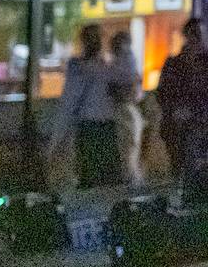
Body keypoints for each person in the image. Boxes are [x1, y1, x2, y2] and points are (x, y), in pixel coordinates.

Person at [49, 24, 125, 189]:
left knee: (90, 179)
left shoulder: (78, 68)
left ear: (83, 42)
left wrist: (56, 140)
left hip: (88, 129)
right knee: (108, 182)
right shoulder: (108, 68)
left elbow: (68, 104)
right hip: (107, 128)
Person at [155, 18, 208, 194]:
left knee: (198, 160)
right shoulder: (173, 63)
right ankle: (184, 192)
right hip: (178, 121)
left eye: (199, 34)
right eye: (194, 33)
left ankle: (195, 193)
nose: (197, 38)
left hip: (201, 119)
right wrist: (175, 109)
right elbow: (163, 92)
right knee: (180, 162)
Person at [107, 29, 146, 187]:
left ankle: (132, 185)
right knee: (130, 153)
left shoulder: (123, 62)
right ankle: (134, 183)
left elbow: (122, 88)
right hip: (130, 111)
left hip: (125, 111)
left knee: (128, 154)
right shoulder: (129, 61)